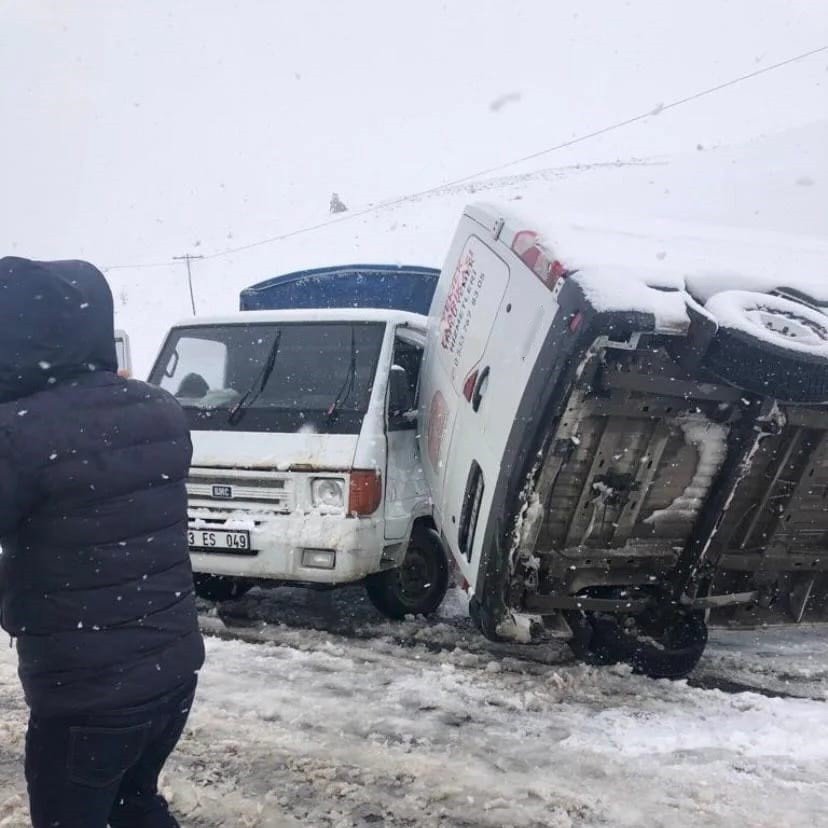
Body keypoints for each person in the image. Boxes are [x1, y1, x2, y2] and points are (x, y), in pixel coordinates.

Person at [0, 257, 205, 827]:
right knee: (134, 805)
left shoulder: (20, 433)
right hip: (171, 674)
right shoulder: (159, 409)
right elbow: (90, 523)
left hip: (89, 694)